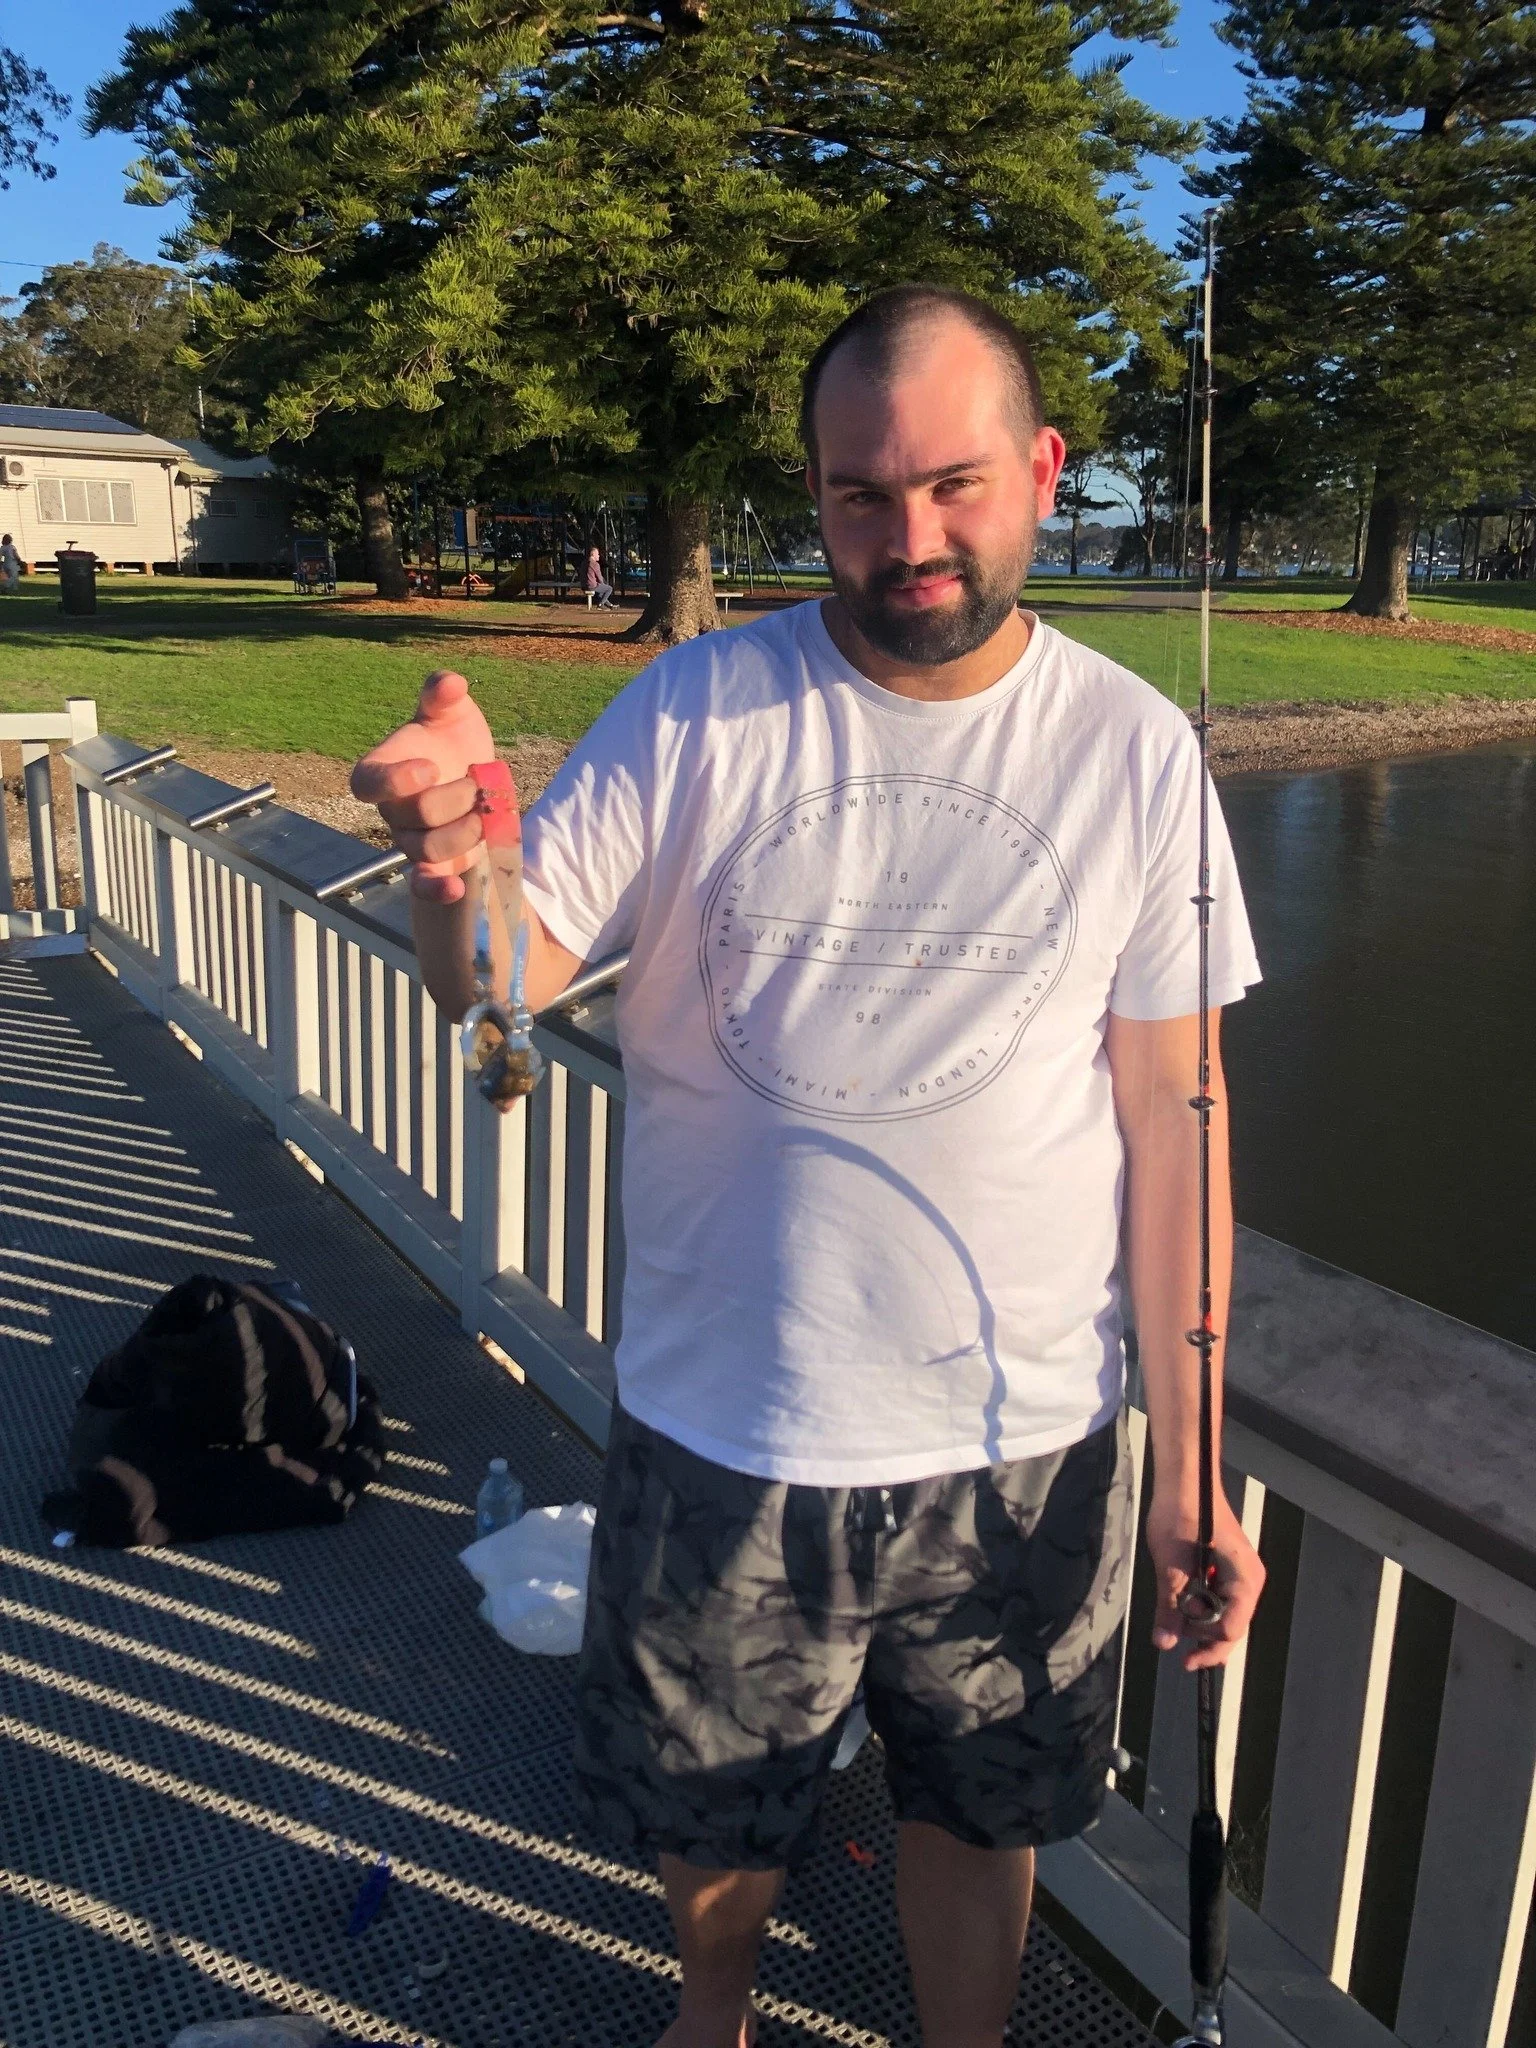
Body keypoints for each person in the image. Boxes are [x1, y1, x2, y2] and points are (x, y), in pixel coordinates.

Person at [353, 283, 1266, 2048]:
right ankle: (715, 2011)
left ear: (1046, 470)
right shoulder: (698, 708)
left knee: (979, 1804)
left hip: (1034, 1428)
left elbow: (1177, 1113)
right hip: (735, 1417)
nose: (906, 535)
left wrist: (1191, 1465)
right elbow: (506, 978)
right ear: (816, 491)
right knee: (711, 1799)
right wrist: (452, 861)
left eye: (952, 483)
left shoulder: (1136, 749)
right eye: (859, 493)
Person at [585, 541, 616, 608]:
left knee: (601, 591)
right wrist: (603, 584)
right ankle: (600, 604)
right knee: (609, 589)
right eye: (598, 554)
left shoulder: (585, 563)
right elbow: (599, 577)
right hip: (591, 585)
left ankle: (610, 605)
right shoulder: (595, 564)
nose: (599, 556)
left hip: (584, 585)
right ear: (593, 554)